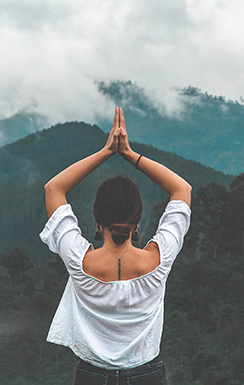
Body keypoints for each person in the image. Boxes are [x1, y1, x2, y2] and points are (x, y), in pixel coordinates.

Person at [40, 107, 192, 384]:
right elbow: (182, 190)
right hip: (148, 376)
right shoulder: (159, 259)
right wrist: (130, 154)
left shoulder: (80, 260)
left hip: (91, 377)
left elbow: (54, 189)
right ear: (138, 222)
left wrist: (107, 151)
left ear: (97, 221)